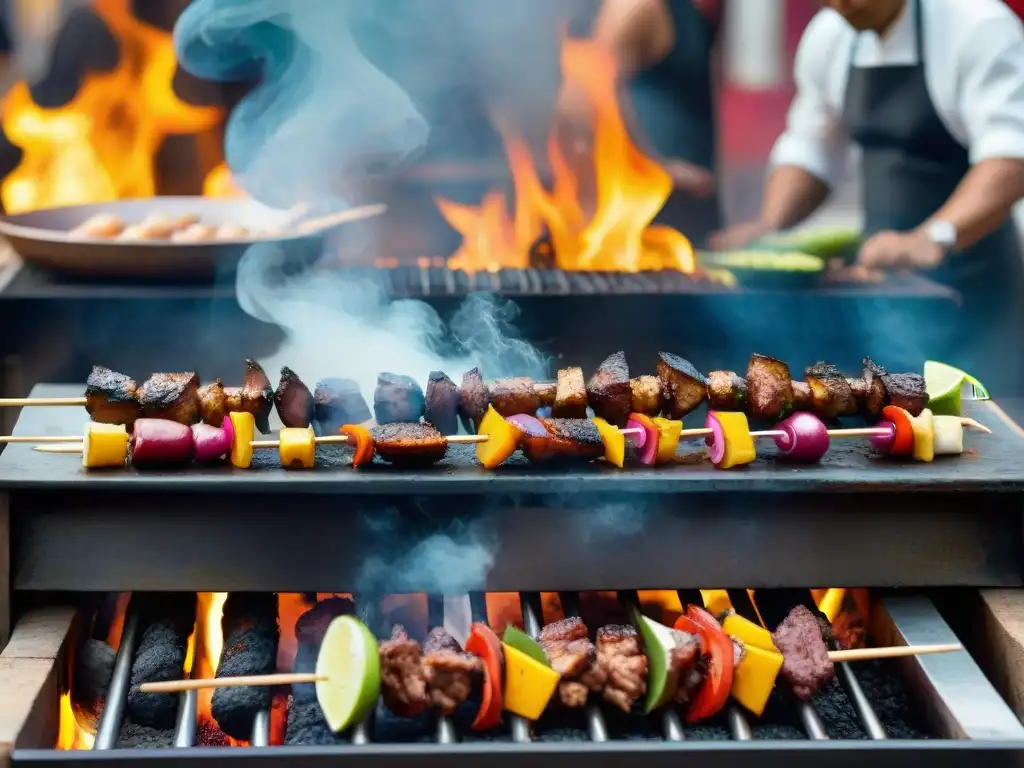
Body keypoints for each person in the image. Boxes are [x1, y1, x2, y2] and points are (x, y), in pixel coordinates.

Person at [712, 0, 1024, 394]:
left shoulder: (977, 25)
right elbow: (813, 147)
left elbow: (1010, 157)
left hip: (974, 293)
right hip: (880, 291)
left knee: (989, 429)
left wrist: (933, 236)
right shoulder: (831, 33)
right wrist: (770, 228)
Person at [557, 0, 723, 246]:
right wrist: (655, 170)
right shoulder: (635, 6)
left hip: (687, 216)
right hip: (649, 223)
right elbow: (580, 102)